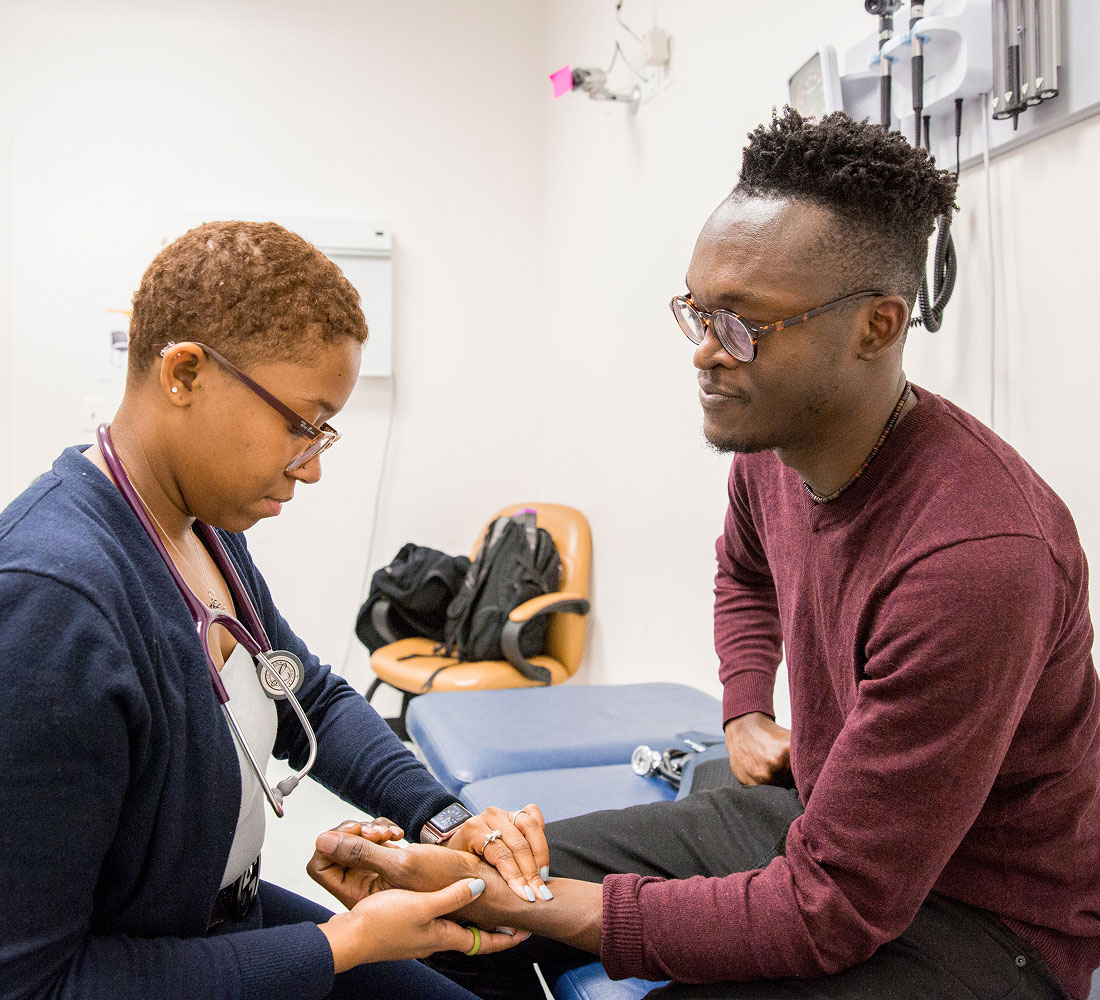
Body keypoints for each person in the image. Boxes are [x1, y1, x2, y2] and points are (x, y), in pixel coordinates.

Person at [307, 109, 1100, 1000]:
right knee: (446, 907)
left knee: (518, 909)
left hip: (986, 916)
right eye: (697, 311)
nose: (702, 353)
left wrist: (537, 904)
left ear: (877, 326)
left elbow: (827, 911)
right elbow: (745, 572)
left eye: (743, 324)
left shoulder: (977, 557)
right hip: (820, 827)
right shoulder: (774, 448)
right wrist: (743, 709)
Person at [0, 221, 556, 1000]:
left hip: (226, 920)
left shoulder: (200, 529)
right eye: (301, 425)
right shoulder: (52, 603)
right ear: (185, 373)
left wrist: (440, 818)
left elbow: (309, 697)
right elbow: (36, 985)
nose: (315, 465)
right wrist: (340, 947)